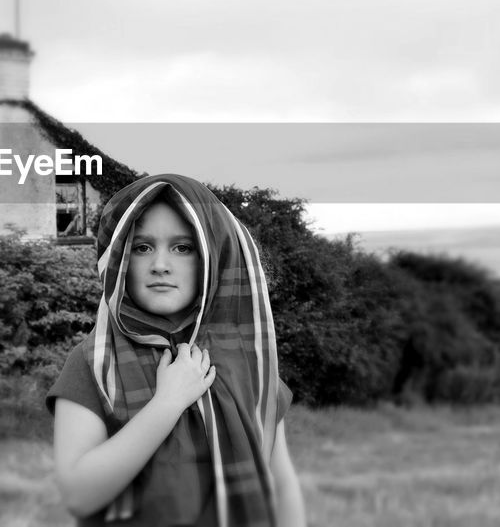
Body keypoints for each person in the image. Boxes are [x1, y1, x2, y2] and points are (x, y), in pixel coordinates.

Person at [46, 173, 306, 527]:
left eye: (183, 247)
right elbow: (79, 495)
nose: (160, 265)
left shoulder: (250, 362)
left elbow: (280, 484)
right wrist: (167, 403)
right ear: (120, 257)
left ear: (210, 259)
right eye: (142, 247)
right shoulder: (94, 363)